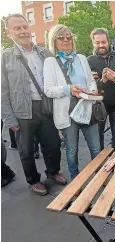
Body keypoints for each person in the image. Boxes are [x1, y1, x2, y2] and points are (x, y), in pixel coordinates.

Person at [1, 14, 67, 196]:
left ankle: (53, 172)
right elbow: (2, 92)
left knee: (52, 144)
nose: (23, 31)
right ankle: (34, 181)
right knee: (26, 151)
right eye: (17, 28)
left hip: (46, 107)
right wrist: (9, 119)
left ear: (29, 28)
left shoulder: (44, 53)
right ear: (9, 32)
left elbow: (57, 79)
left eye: (24, 27)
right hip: (22, 112)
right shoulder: (5, 57)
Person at [44, 24, 101, 180]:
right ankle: (76, 180)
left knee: (96, 147)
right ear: (54, 41)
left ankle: (99, 177)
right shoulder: (51, 62)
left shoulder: (81, 58)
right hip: (67, 112)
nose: (66, 40)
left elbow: (91, 81)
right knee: (72, 150)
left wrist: (91, 91)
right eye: (61, 37)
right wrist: (68, 89)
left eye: (69, 36)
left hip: (86, 107)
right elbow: (48, 90)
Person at [87, 28, 115, 150]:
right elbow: (92, 85)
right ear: (93, 43)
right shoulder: (90, 60)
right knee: (98, 133)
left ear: (108, 41)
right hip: (99, 104)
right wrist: (103, 80)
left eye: (104, 42)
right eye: (97, 42)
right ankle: (100, 159)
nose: (101, 45)